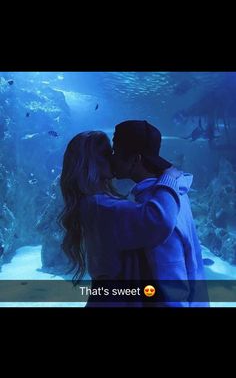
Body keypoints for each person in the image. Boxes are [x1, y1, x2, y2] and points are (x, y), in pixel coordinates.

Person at [58, 130, 182, 307]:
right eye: (107, 153)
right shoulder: (101, 206)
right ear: (90, 163)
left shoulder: (92, 203)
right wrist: (168, 180)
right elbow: (158, 221)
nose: (114, 158)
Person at [111, 120, 209, 307]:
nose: (111, 158)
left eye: (115, 151)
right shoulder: (175, 193)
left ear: (135, 159)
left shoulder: (156, 207)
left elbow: (172, 286)